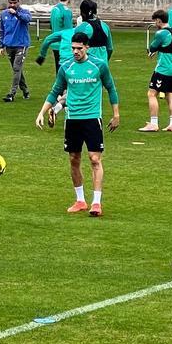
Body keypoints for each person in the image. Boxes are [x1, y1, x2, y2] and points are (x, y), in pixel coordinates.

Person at [36, 32, 121, 217]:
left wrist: (116, 114)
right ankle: (80, 200)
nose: (75, 51)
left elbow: (111, 88)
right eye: (73, 48)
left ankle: (96, 203)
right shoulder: (66, 67)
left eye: (79, 48)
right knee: (74, 159)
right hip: (72, 119)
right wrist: (42, 113)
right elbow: (55, 91)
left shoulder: (99, 65)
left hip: (92, 119)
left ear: (87, 48)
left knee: (94, 159)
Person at [141, 10, 172, 133]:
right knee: (170, 96)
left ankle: (153, 123)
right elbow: (166, 46)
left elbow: (152, 47)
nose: (155, 23)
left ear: (159, 20)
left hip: (163, 69)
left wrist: (153, 50)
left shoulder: (161, 33)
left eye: (155, 21)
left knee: (151, 94)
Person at [0, 0, 32, 102]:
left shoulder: (24, 12)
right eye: (10, 3)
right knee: (17, 69)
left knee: (17, 68)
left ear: (18, 2)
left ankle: (11, 94)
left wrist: (16, 13)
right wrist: (1, 45)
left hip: (21, 45)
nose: (12, 5)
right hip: (9, 45)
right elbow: (2, 30)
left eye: (14, 3)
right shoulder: (4, 14)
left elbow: (27, 19)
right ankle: (25, 90)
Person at [73, 0, 114, 65]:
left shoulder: (82, 28)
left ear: (82, 12)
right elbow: (110, 48)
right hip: (103, 64)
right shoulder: (105, 26)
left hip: (88, 65)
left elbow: (76, 48)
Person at [49, 0, 75, 67]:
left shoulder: (54, 9)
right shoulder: (67, 11)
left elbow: (51, 25)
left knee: (58, 68)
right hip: (64, 44)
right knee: (66, 69)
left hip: (55, 43)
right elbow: (69, 30)